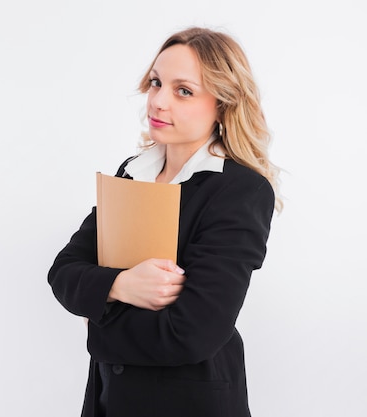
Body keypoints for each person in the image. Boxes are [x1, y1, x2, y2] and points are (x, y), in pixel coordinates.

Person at [47, 26, 282, 417]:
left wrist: (97, 322)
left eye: (183, 90)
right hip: (109, 399)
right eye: (156, 83)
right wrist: (122, 284)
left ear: (223, 103)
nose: (158, 101)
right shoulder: (132, 172)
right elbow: (64, 272)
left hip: (188, 404)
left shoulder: (241, 190)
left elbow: (192, 333)